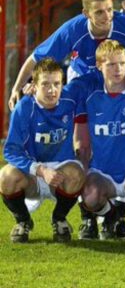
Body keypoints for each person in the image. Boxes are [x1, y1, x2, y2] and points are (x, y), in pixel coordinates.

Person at [7, 0, 125, 111]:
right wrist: (16, 88)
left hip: (119, 79)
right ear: (86, 13)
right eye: (99, 12)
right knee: (78, 128)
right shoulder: (72, 30)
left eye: (109, 9)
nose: (106, 17)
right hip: (81, 78)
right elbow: (36, 58)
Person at [70, 40, 125, 244]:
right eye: (111, 65)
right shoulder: (89, 97)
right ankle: (111, 217)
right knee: (89, 197)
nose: (118, 69)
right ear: (99, 66)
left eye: (122, 63)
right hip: (102, 172)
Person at [0, 59, 85, 243]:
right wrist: (40, 170)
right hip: (32, 175)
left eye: (56, 84)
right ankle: (23, 221)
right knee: (5, 177)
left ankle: (59, 219)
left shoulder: (70, 98)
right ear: (34, 86)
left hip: (60, 172)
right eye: (45, 84)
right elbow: (11, 151)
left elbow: (97, 78)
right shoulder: (24, 107)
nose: (51, 90)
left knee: (77, 173)